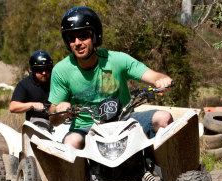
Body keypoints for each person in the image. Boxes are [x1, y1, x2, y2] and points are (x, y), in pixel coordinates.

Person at [49, 6, 174, 149]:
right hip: (86, 128)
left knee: (164, 118)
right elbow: (53, 119)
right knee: (71, 142)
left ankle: (163, 170)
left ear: (95, 36)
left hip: (125, 120)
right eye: (72, 38)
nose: (77, 42)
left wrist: (162, 80)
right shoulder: (61, 70)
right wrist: (59, 110)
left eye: (83, 36)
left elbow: (153, 75)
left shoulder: (117, 59)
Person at [9, 50, 53, 131]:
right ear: (33, 70)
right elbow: (13, 107)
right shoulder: (24, 84)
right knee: (40, 133)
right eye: (39, 70)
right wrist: (32, 105)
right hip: (39, 119)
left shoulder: (57, 81)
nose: (44, 73)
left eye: (47, 69)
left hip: (59, 119)